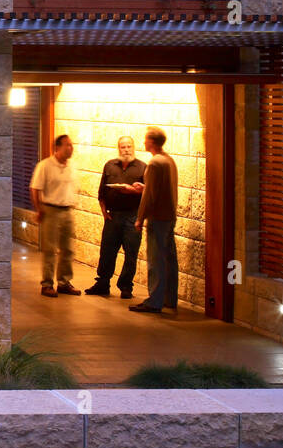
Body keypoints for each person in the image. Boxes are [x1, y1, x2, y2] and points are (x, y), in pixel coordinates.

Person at [84, 136, 146, 299]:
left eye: (129, 146)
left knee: (131, 253)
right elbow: (101, 191)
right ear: (118, 148)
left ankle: (126, 286)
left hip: (132, 216)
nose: (126, 149)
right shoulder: (110, 165)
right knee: (107, 251)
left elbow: (148, 193)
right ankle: (103, 283)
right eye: (123, 146)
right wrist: (104, 211)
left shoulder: (142, 168)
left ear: (134, 147)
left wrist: (132, 191)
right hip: (113, 216)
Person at [130, 126, 180, 314]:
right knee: (169, 259)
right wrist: (145, 187)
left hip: (157, 218)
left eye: (145, 139)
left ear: (152, 141)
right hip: (169, 216)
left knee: (155, 260)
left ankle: (154, 301)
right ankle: (169, 298)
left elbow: (150, 196)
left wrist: (140, 218)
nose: (143, 142)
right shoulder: (169, 161)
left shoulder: (154, 164)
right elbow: (159, 189)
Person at [30, 134, 80, 297]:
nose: (70, 148)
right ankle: (47, 284)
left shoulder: (72, 166)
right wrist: (39, 209)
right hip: (50, 210)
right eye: (67, 145)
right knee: (49, 249)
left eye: (71, 145)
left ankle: (64, 282)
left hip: (68, 210)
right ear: (57, 147)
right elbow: (35, 188)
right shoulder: (45, 165)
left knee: (68, 249)